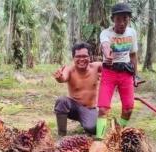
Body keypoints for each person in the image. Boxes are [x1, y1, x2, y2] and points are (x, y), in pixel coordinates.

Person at [96, 2, 138, 140]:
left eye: (125, 18)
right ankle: (99, 139)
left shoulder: (132, 33)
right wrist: (108, 54)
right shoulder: (106, 33)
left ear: (129, 19)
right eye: (118, 19)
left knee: (128, 109)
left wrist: (135, 76)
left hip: (126, 73)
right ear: (113, 19)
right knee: (103, 109)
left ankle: (118, 134)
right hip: (109, 72)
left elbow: (133, 55)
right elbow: (105, 45)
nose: (122, 22)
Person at [53, 42, 102, 136]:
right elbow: (63, 78)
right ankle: (61, 135)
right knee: (61, 101)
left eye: (85, 56)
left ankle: (86, 122)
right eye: (78, 56)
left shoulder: (96, 67)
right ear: (73, 58)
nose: (81, 59)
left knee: (93, 128)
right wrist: (59, 77)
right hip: (73, 108)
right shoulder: (69, 70)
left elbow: (112, 69)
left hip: (90, 109)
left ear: (90, 57)